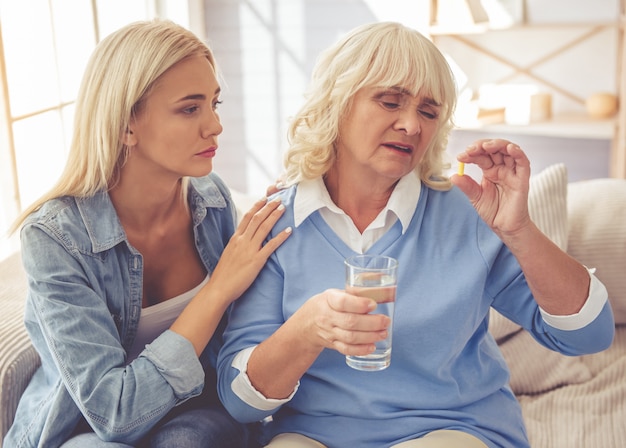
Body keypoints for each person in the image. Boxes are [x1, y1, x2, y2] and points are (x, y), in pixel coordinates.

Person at [216, 21, 615, 448]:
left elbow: (587, 336)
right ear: (336, 102)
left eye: (429, 112)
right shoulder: (277, 221)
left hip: (452, 426)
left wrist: (519, 232)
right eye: (390, 102)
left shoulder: (466, 213)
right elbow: (240, 401)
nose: (411, 125)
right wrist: (307, 330)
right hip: (313, 432)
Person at [5, 19, 291, 448]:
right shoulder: (53, 239)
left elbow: (243, 340)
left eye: (215, 103)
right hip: (88, 426)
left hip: (195, 409)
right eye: (190, 108)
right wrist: (216, 291)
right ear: (126, 125)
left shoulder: (212, 201)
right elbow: (113, 416)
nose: (215, 126)